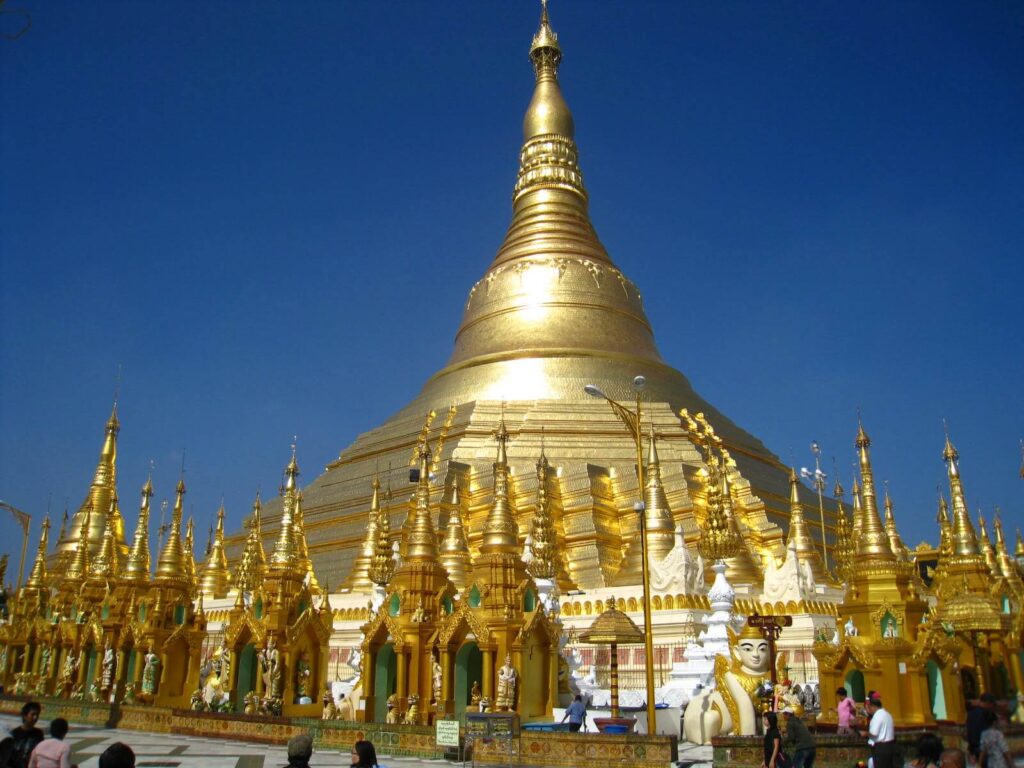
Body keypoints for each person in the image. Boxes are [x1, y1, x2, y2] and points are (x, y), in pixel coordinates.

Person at [9, 702, 44, 768]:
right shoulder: (14, 733)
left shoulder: (38, 734)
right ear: (24, 715)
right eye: (33, 714)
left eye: (37, 715)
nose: (35, 717)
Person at [965, 692, 996, 762]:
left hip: (973, 748)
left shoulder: (971, 713)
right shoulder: (985, 714)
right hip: (983, 749)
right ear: (988, 703)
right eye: (992, 705)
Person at [866, 696, 896, 768]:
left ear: (873, 706)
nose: (869, 710)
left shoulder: (877, 716)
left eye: (869, 708)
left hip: (881, 748)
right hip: (890, 746)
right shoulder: (887, 714)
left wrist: (864, 733)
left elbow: (874, 733)